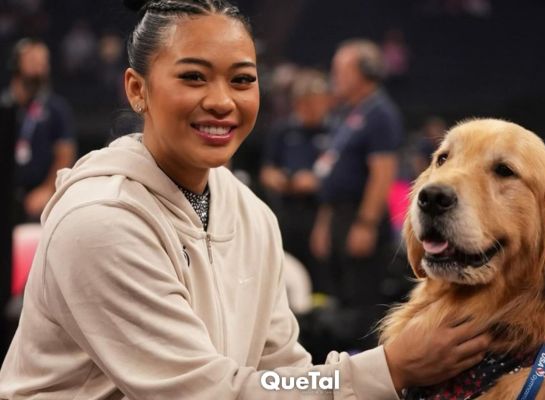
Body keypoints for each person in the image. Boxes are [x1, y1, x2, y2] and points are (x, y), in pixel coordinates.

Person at [0, 1, 490, 398]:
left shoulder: (250, 214)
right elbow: (210, 394)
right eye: (193, 76)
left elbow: (279, 376)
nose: (222, 100)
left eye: (241, 79)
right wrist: (387, 368)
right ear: (137, 90)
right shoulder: (99, 222)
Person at [310, 39, 403, 350]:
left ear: (364, 72)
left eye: (341, 69)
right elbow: (330, 171)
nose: (334, 75)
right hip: (337, 213)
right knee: (340, 296)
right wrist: (325, 223)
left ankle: (368, 378)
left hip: (361, 214)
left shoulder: (381, 113)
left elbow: (382, 173)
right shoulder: (344, 114)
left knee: (363, 300)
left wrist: (365, 223)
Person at [260, 68, 331, 292]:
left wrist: (315, 181)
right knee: (284, 271)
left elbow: (340, 177)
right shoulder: (283, 131)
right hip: (286, 212)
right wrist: (279, 179)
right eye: (303, 103)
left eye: (314, 102)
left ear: (326, 102)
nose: (308, 108)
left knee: (320, 277)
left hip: (318, 213)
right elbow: (266, 171)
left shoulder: (334, 131)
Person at [2, 38, 76, 224]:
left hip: (39, 196)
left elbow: (65, 154)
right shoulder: (4, 106)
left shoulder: (56, 108)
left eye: (44, 62)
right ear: (16, 64)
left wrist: (47, 189)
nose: (40, 68)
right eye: (33, 61)